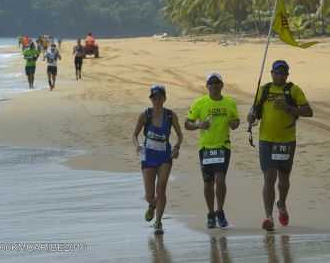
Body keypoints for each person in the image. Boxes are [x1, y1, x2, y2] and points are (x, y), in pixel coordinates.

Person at [247, 60, 313, 231]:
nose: (280, 75)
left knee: (283, 179)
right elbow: (253, 111)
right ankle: (268, 216)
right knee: (269, 177)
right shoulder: (264, 89)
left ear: (287, 75)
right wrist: (251, 116)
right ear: (271, 73)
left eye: (283, 73)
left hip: (286, 140)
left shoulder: (293, 90)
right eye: (277, 72)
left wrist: (289, 108)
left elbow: (308, 111)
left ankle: (281, 204)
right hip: (266, 140)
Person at [185, 73, 240, 228]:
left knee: (220, 180)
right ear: (207, 86)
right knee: (208, 182)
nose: (214, 86)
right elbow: (187, 123)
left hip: (223, 146)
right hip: (205, 148)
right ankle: (210, 213)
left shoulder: (229, 103)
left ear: (222, 85)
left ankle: (220, 211)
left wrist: (234, 124)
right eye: (211, 83)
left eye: (217, 83)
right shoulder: (199, 103)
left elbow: (236, 120)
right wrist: (198, 125)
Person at [132, 85, 183, 235]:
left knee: (161, 189)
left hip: (165, 156)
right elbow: (134, 135)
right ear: (151, 99)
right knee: (149, 195)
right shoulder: (145, 115)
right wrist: (137, 146)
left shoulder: (170, 115)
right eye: (154, 97)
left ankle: (158, 222)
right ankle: (152, 205)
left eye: (160, 97)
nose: (157, 100)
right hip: (148, 156)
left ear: (165, 98)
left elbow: (180, 135)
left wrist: (176, 148)